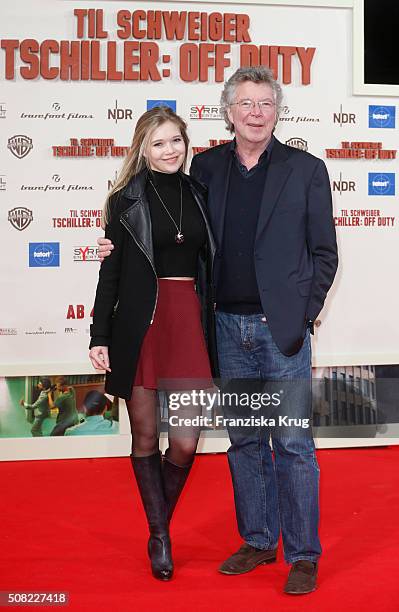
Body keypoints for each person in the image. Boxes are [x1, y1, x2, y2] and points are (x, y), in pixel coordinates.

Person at [97, 66, 338, 594]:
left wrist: (303, 312)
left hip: (282, 332)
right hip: (223, 328)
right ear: (226, 113)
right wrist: (114, 246)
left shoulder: (307, 170)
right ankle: (257, 539)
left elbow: (325, 253)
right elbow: (159, 221)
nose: (256, 113)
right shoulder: (203, 169)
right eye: (245, 104)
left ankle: (301, 553)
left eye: (265, 103)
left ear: (278, 111)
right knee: (244, 441)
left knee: (294, 442)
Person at [89, 106, 218, 581]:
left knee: (185, 442)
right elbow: (111, 274)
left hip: (187, 322)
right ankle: (160, 535)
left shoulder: (200, 194)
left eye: (176, 141)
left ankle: (156, 523)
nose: (170, 150)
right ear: (143, 149)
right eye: (159, 143)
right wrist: (98, 335)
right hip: (140, 324)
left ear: (187, 144)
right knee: (145, 436)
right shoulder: (124, 200)